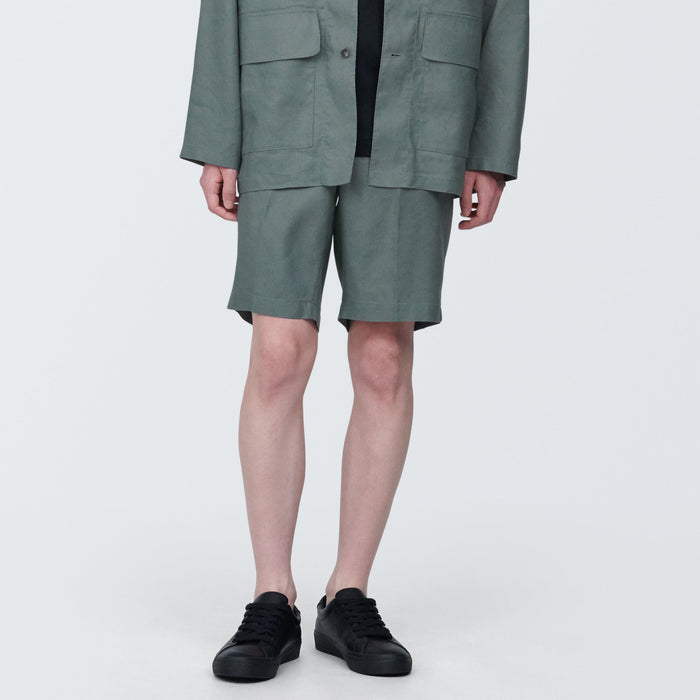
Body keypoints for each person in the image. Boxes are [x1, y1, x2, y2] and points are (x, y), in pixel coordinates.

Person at [179, 0, 529, 682]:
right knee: (278, 353)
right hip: (284, 102)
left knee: (383, 360)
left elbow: (505, 12)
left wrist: (490, 150)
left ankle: (349, 594)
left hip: (420, 109)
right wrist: (217, 136)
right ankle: (272, 595)